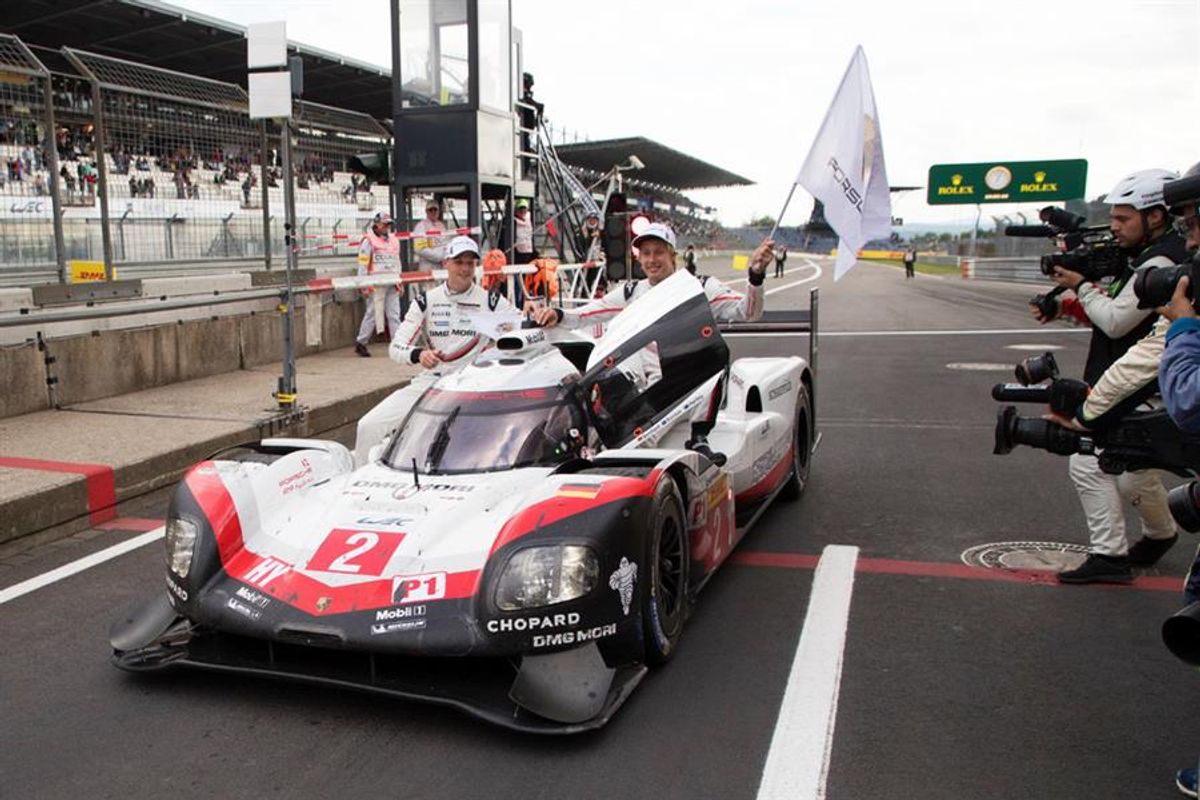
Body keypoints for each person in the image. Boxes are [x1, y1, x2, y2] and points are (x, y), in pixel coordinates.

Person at [1036, 168, 1189, 583]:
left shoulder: (1161, 263)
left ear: (1155, 216)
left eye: (1123, 218)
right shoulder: (1151, 256)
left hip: (1147, 385)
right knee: (1135, 474)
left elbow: (1118, 322)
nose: (1114, 227)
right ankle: (1160, 535)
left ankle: (1109, 558)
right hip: (1152, 383)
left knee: (1088, 458)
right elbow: (1120, 313)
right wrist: (1065, 304)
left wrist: (1082, 286)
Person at [530, 222, 772, 461]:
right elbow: (589, 313)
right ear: (639, 259)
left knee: (713, 358)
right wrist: (558, 314)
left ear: (673, 255)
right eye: (646, 253)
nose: (652, 260)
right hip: (648, 389)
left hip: (690, 386)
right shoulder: (631, 292)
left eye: (658, 252)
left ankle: (699, 438)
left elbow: (748, 312)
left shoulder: (700, 286)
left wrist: (756, 275)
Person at [352, 235, 517, 465]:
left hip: (471, 384)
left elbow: (522, 328)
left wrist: (537, 316)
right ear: (446, 263)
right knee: (368, 426)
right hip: (432, 382)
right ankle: (360, 480)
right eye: (459, 262)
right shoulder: (426, 301)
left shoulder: (491, 301)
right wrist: (419, 355)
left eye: (470, 263)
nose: (465, 269)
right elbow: (396, 348)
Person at [354, 211, 402, 358]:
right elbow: (363, 264)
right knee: (372, 314)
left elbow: (397, 262)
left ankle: (397, 344)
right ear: (376, 224)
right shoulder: (368, 241)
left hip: (392, 282)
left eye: (389, 224)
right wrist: (363, 284)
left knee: (394, 315)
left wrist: (400, 282)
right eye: (385, 224)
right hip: (375, 283)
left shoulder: (394, 240)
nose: (387, 227)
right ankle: (361, 342)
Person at [411, 198, 448, 269]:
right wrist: (439, 256)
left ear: (439, 211)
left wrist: (445, 255)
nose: (433, 212)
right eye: (430, 210)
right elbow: (419, 248)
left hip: (442, 266)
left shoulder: (442, 226)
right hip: (427, 265)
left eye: (435, 209)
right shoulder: (421, 226)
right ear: (426, 211)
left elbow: (446, 243)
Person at [514, 199, 535, 264]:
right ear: (516, 211)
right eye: (520, 209)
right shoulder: (514, 221)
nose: (522, 211)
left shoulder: (529, 219)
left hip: (528, 250)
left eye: (524, 210)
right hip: (518, 252)